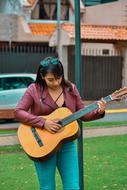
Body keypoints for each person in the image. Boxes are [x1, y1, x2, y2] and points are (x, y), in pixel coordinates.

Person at [14, 56, 106, 190]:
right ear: (42, 76)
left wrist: (99, 111)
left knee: (73, 186)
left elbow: (82, 113)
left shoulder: (71, 89)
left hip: (67, 144)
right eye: (51, 79)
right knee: (47, 187)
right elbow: (18, 112)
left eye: (59, 77)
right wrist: (43, 122)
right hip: (42, 145)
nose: (56, 83)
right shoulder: (34, 89)